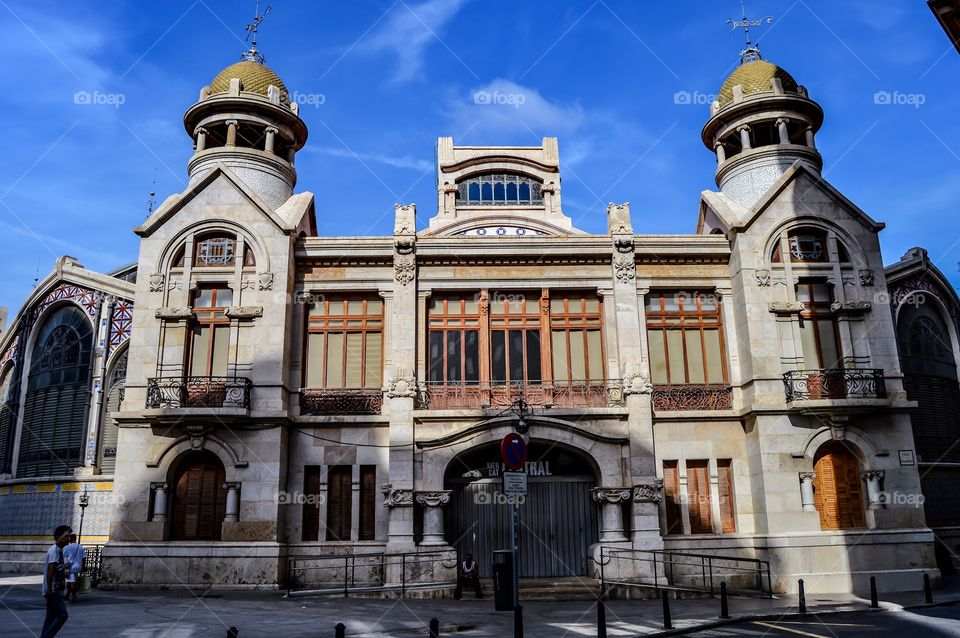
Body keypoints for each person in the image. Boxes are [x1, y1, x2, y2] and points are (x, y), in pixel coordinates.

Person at [40, 524, 71, 638]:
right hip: (53, 590)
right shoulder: (54, 551)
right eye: (66, 536)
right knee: (63, 615)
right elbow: (50, 570)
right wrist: (49, 589)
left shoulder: (59, 550)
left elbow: (56, 570)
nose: (68, 539)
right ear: (58, 536)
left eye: (69, 536)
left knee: (50, 617)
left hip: (55, 589)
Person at [63, 534, 86, 603]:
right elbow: (84, 558)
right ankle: (67, 595)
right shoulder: (80, 547)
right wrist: (83, 567)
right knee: (70, 581)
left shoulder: (67, 547)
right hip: (78, 566)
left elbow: (64, 556)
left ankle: (73, 595)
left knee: (71, 582)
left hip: (70, 567)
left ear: (70, 539)